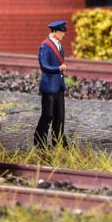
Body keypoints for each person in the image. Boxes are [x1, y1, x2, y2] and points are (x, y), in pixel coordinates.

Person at [34, 20, 69, 148]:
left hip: (58, 85)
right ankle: (40, 143)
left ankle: (58, 141)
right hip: (49, 87)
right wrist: (58, 69)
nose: (63, 35)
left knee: (59, 115)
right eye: (61, 32)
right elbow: (44, 65)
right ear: (54, 32)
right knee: (47, 115)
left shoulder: (59, 46)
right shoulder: (45, 46)